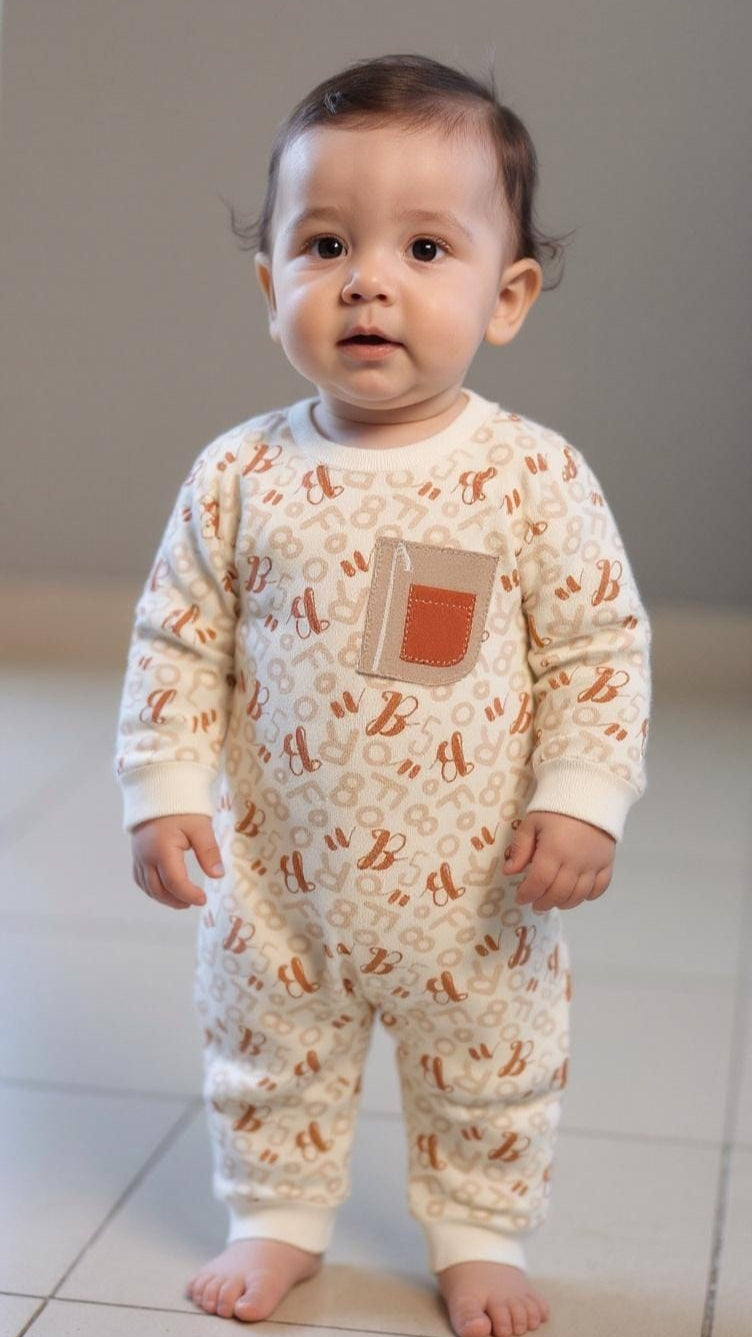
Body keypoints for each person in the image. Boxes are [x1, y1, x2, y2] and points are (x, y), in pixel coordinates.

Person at [114, 51, 651, 1337]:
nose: (366, 279)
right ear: (270, 285)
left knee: (489, 1065)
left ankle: (476, 1230)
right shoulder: (239, 474)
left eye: (423, 247)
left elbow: (596, 649)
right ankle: (276, 1214)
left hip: (479, 880)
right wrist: (163, 789)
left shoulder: (530, 477)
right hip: (280, 870)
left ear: (504, 294)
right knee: (265, 1045)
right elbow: (176, 638)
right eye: (322, 244)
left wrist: (583, 798)